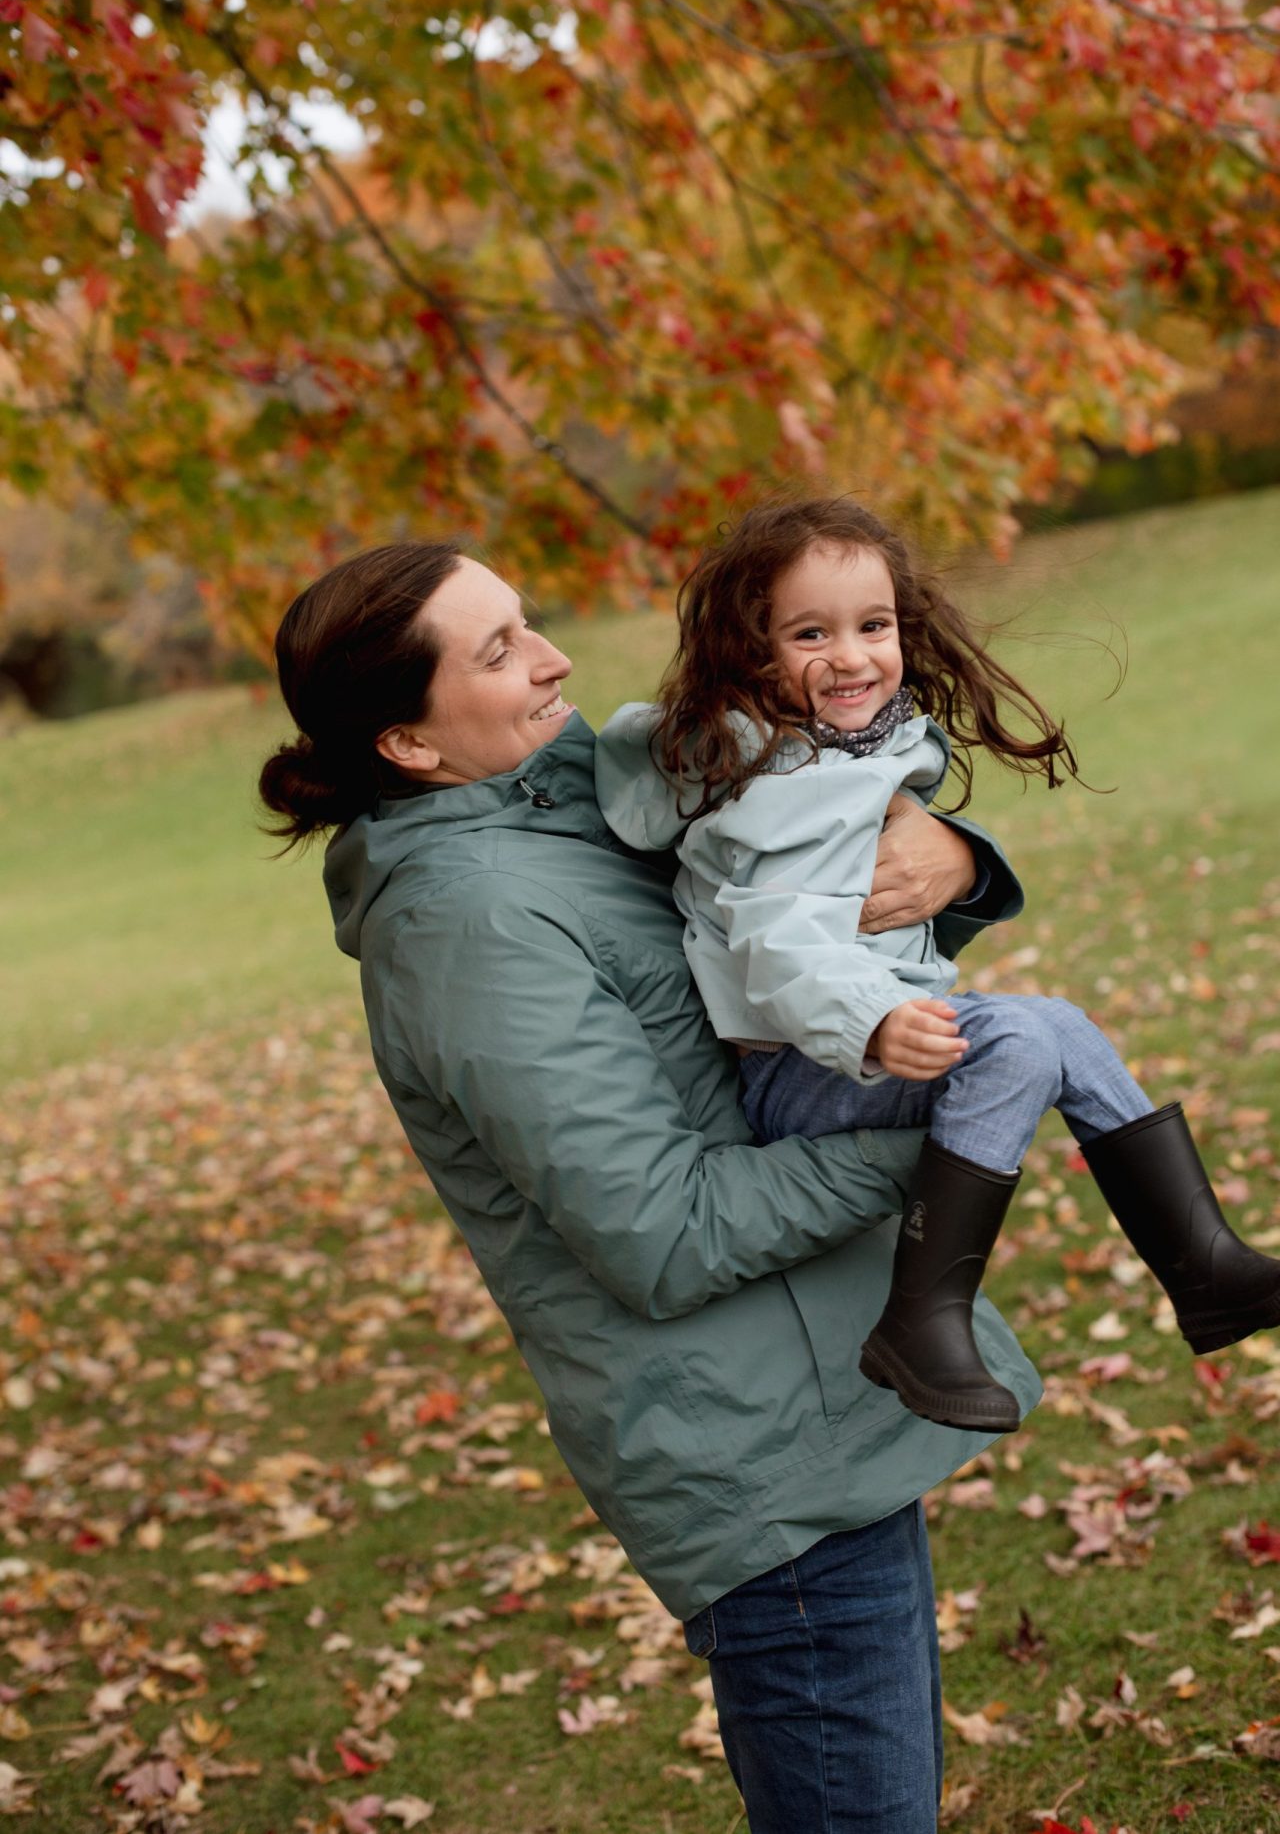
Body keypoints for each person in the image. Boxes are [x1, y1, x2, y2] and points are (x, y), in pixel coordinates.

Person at [260, 538, 1040, 1834]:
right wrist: (957, 1136)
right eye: (499, 648)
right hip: (749, 1454)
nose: (554, 657)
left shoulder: (572, 797)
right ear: (406, 741)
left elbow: (790, 890)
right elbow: (660, 1231)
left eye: (530, 621)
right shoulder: (468, 921)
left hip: (818, 1395)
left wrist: (951, 857)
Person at [595, 496, 1280, 1439]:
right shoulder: (776, 785)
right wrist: (871, 1018)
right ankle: (924, 1317)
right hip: (803, 1070)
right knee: (1022, 1039)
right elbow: (773, 938)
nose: (852, 654)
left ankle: (1200, 1265)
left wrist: (945, 867)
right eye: (809, 632)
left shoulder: (840, 751)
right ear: (751, 650)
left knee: (1058, 1028)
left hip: (843, 1050)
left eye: (873, 625)